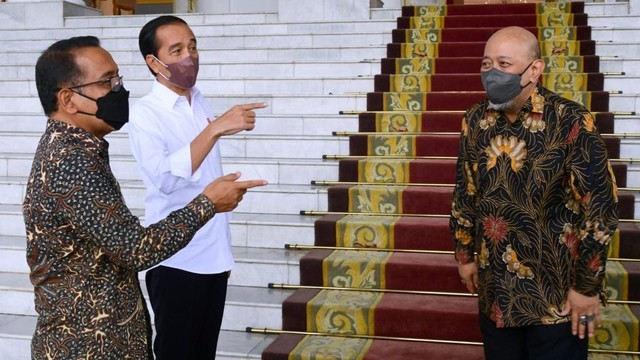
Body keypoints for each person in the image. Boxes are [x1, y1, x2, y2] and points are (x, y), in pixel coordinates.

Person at [23, 35, 266, 360]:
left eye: (118, 78)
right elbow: (134, 249)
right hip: (89, 345)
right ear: (69, 99)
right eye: (107, 82)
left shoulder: (75, 150)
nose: (119, 90)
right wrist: (208, 203)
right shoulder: (72, 161)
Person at [449, 26, 619, 360]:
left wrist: (587, 287)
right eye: (486, 64)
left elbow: (600, 208)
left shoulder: (570, 120)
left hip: (554, 296)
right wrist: (464, 254)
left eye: (504, 63)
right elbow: (465, 191)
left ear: (535, 69)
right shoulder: (475, 119)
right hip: (494, 290)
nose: (493, 73)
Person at [127, 15, 268, 360]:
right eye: (176, 50)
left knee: (203, 352)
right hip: (176, 257)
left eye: (192, 46)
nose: (189, 57)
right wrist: (216, 128)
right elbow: (163, 178)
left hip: (214, 251)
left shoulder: (198, 99)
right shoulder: (144, 113)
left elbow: (201, 168)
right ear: (153, 62)